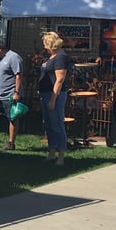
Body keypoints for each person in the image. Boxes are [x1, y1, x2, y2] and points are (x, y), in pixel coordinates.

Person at [38, 31, 69, 165]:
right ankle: (51, 152)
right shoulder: (52, 57)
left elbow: (59, 79)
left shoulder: (61, 57)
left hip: (55, 95)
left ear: (50, 44)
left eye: (45, 43)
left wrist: (52, 100)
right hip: (45, 94)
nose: (44, 46)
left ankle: (61, 156)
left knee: (57, 124)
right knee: (49, 125)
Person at [0, 42, 23, 150]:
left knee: (12, 118)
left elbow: (18, 76)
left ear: (0, 48)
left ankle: (11, 142)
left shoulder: (14, 57)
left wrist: (16, 92)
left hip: (10, 94)